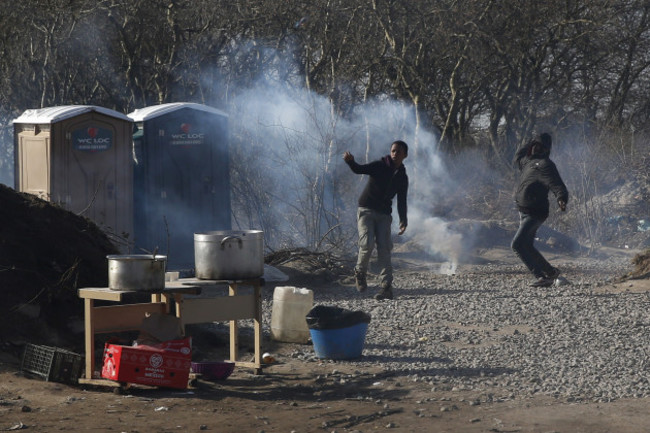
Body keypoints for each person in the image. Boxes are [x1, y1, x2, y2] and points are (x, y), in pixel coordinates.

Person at [343, 140, 409, 300]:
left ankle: (386, 288)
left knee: (385, 249)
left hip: (384, 215)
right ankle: (360, 274)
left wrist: (403, 220)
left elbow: (402, 200)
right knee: (367, 243)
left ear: (405, 155)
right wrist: (351, 162)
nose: (395, 154)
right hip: (366, 209)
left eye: (399, 152)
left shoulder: (402, 177)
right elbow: (359, 169)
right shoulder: (380, 165)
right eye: (393, 151)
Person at [512, 132, 569, 287]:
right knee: (528, 246)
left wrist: (562, 198)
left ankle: (541, 277)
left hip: (536, 213)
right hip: (523, 211)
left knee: (517, 245)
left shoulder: (546, 165)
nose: (537, 149)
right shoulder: (526, 162)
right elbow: (518, 155)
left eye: (541, 147)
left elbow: (557, 184)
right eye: (535, 146)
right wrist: (531, 140)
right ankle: (551, 272)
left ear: (546, 150)